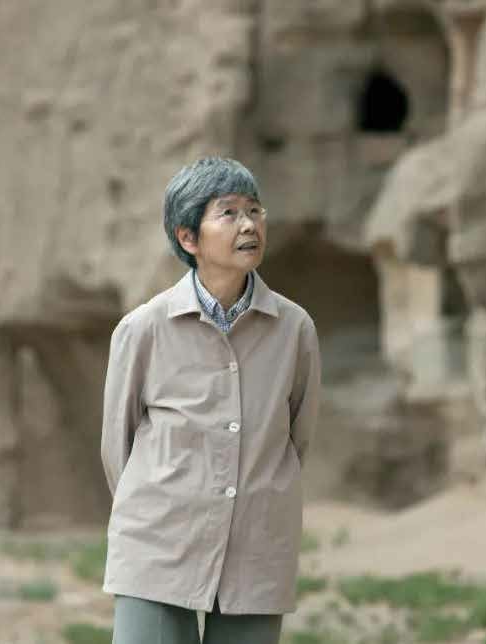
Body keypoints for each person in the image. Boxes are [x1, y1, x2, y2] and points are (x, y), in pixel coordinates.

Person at [100, 156, 322, 644]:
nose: (249, 225)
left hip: (256, 548)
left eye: (255, 210)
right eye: (229, 213)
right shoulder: (144, 329)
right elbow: (118, 446)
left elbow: (296, 438)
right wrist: (163, 507)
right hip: (158, 548)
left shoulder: (294, 329)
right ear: (188, 238)